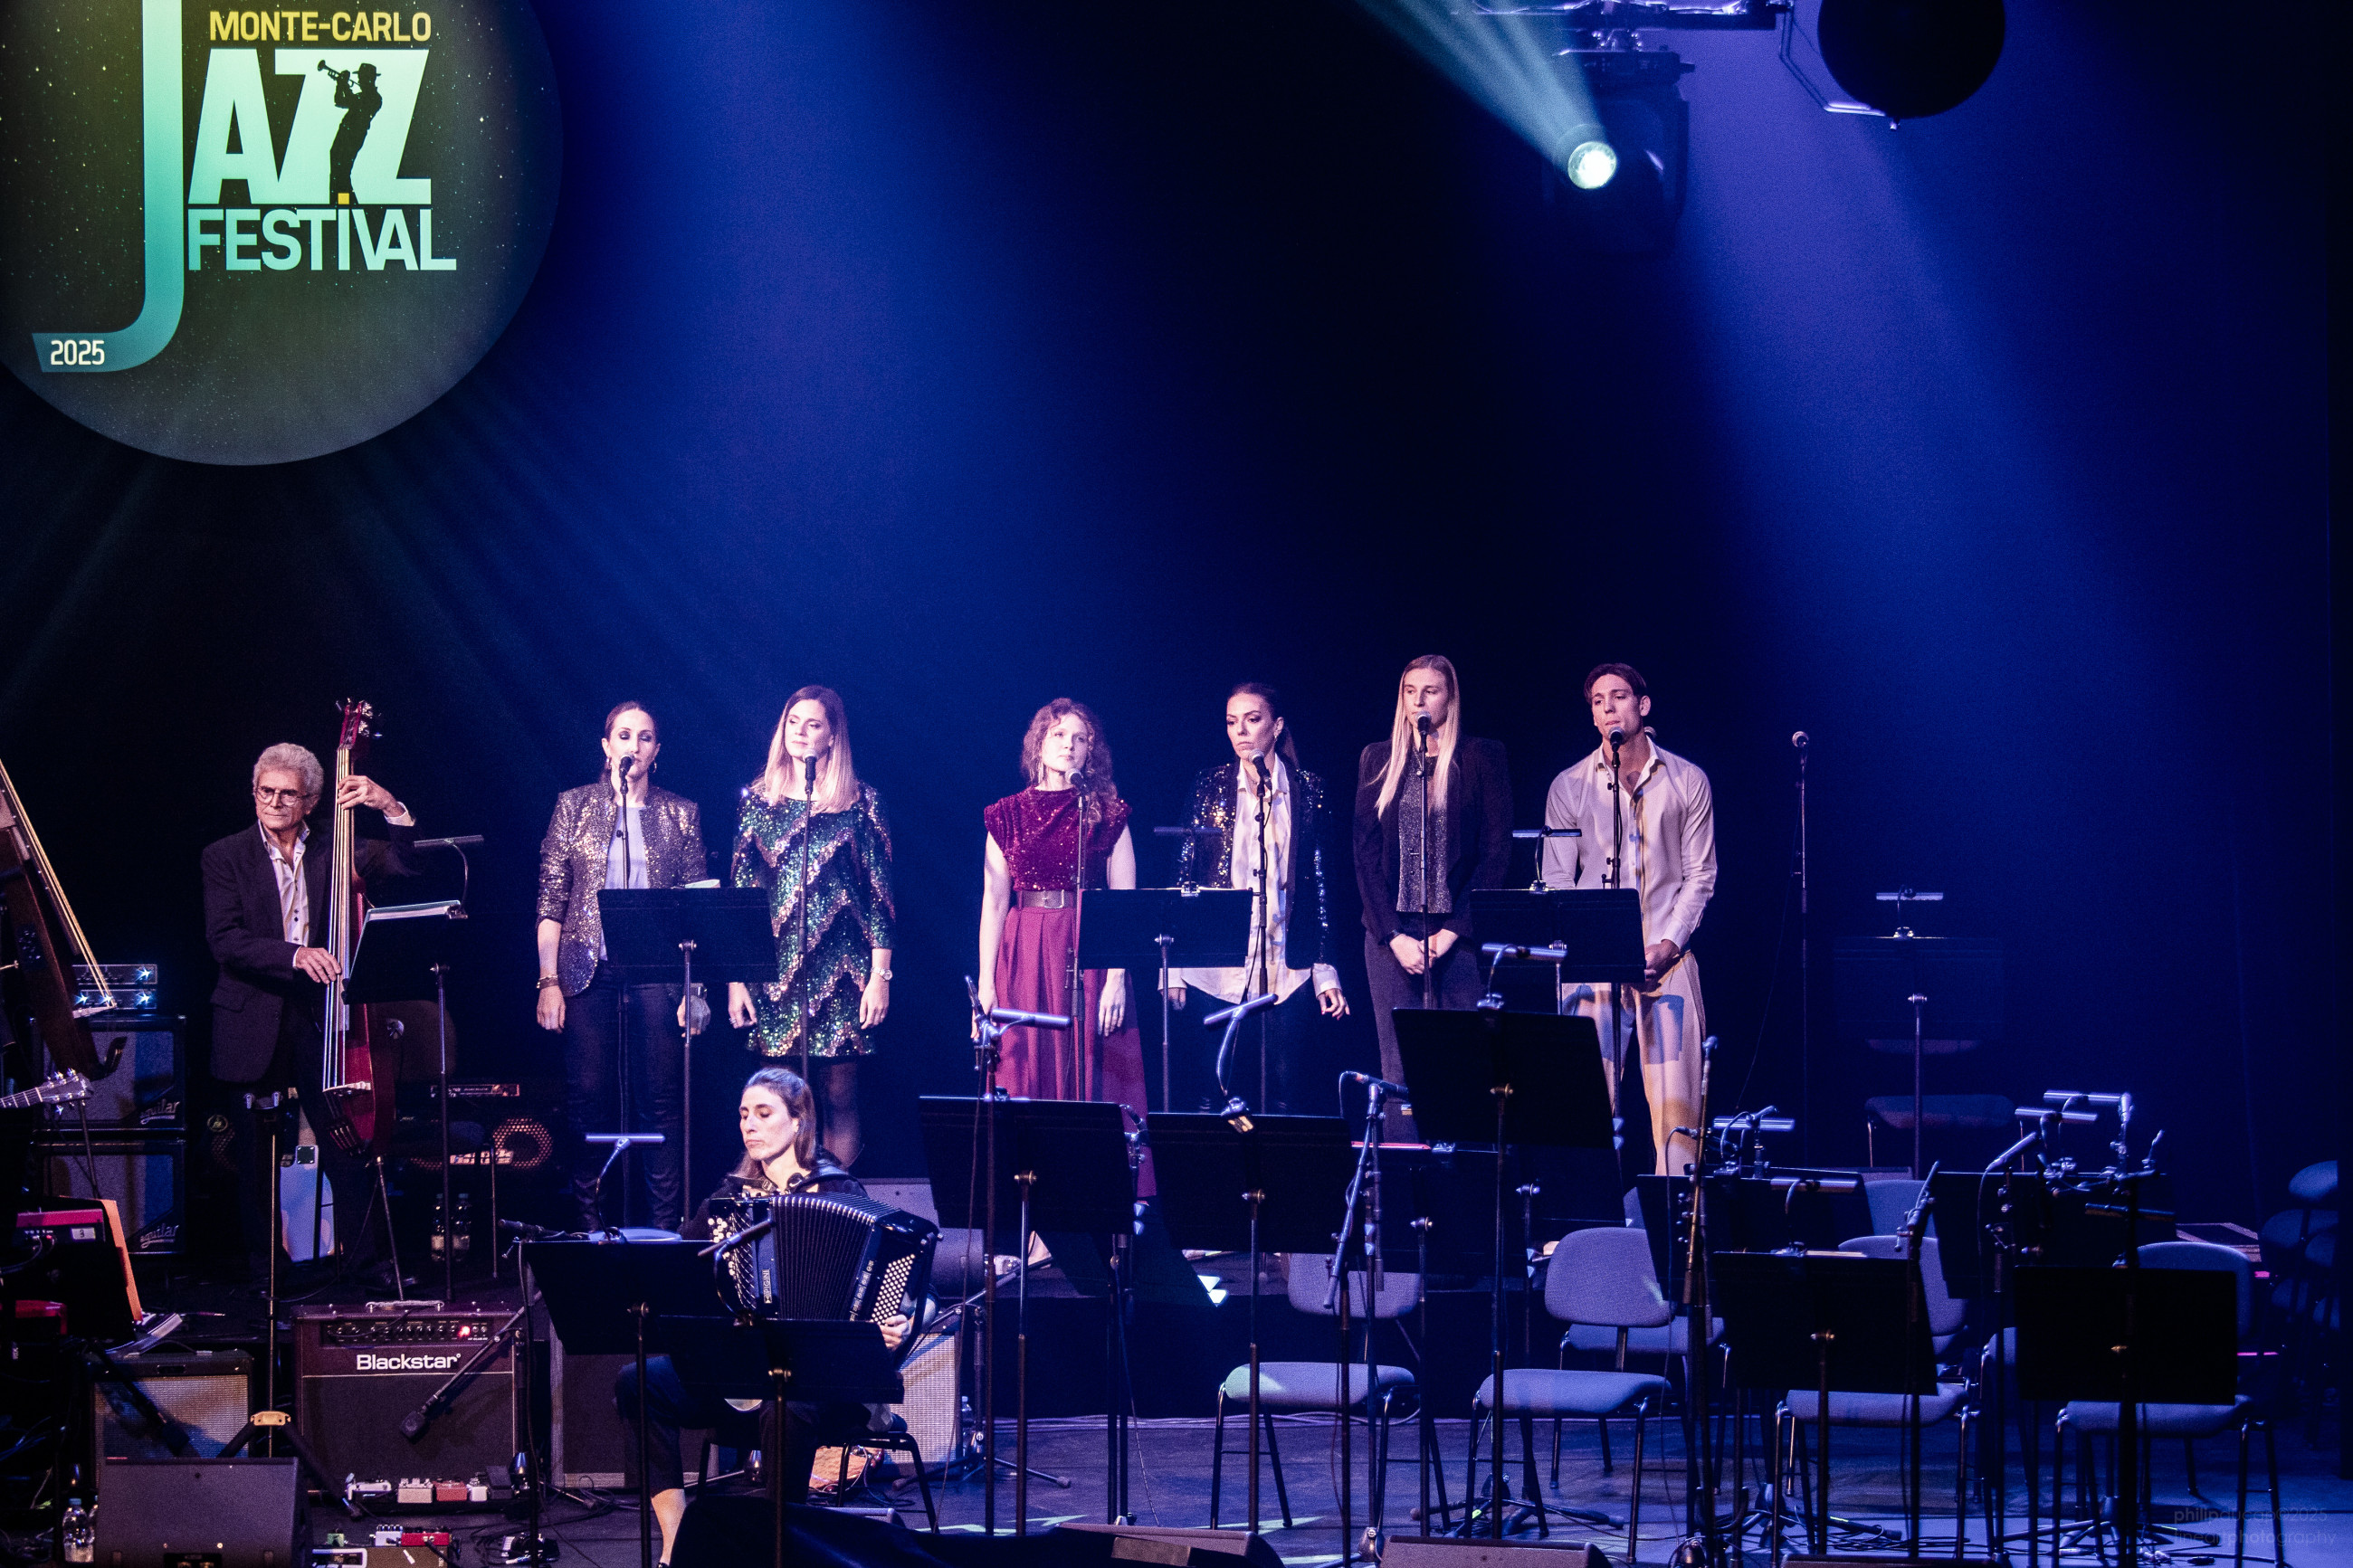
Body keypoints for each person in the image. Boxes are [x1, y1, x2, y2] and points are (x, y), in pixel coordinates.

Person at [614, 1067, 911, 1563]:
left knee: (786, 1402)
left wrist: (892, 1324)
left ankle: (777, 1549)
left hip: (820, 1382)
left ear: (798, 1121)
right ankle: (676, 1542)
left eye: (763, 1113)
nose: (749, 1124)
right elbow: (678, 1274)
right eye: (743, 1114)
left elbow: (898, 1290)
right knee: (639, 1381)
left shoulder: (839, 1191)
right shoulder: (727, 1201)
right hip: (739, 1374)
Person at [202, 741, 416, 1283]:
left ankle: (365, 1263)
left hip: (319, 1016)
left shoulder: (335, 845)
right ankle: (265, 1272)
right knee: (254, 1154)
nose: (274, 802)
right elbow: (225, 940)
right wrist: (295, 955)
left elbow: (404, 864)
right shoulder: (224, 855)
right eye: (265, 792)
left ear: (311, 801)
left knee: (344, 1139)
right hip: (252, 1015)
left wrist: (390, 806)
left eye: (287, 795)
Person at [536, 701, 707, 1231]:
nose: (634, 745)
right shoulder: (574, 806)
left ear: (656, 752)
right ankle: (592, 1229)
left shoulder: (681, 813)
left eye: (646, 737)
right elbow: (552, 901)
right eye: (625, 735)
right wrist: (549, 981)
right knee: (588, 1098)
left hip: (656, 971)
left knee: (661, 1101)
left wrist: (694, 989)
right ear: (607, 746)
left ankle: (665, 1232)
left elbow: (696, 906)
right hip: (588, 970)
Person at [1542, 662, 1717, 1175]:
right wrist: (1598, 945)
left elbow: (1700, 876)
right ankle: (1585, 1217)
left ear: (1643, 705)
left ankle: (1676, 1218)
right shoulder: (1570, 785)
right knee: (1582, 1104)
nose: (1608, 708)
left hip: (1666, 962)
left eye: (1618, 697)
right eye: (1597, 702)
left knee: (1677, 1115)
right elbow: (1558, 879)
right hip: (1592, 966)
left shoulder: (1687, 780)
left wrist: (1668, 944)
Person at [726, 686, 895, 1167]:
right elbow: (741, 896)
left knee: (838, 1095)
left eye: (813, 724)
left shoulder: (862, 802)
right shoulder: (758, 801)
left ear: (833, 736)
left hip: (842, 972)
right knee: (776, 1100)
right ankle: (783, 1203)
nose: (800, 732)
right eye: (793, 722)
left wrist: (880, 977)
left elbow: (880, 898)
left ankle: (833, 1203)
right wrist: (737, 980)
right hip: (774, 973)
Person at [1164, 683, 1348, 1114]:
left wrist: (1325, 971)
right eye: (1232, 722)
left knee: (1284, 1094)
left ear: (1277, 726)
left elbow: (1321, 882)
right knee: (1214, 1091)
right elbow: (1184, 872)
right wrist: (1172, 968)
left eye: (1252, 719)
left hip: (1286, 964)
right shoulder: (1210, 784)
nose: (1241, 731)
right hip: (1215, 964)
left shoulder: (1309, 789)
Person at [1352, 656, 1512, 1136]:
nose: (1418, 701)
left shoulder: (1481, 756)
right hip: (1393, 938)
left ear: (1450, 698)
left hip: (1457, 937)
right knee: (1399, 1070)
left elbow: (1495, 853)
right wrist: (1393, 935)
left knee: (1461, 1061)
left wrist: (1453, 932)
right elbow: (1364, 854)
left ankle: (1461, 1171)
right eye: (1410, 690)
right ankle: (1405, 1172)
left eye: (1431, 691)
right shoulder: (1378, 758)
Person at [976, 698, 1148, 1108]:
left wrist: (1117, 978)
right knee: (1024, 1065)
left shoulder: (1108, 814)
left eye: (1080, 738)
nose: (1069, 744)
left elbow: (1125, 904)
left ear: (1091, 752)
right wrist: (986, 983)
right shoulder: (1006, 814)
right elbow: (995, 902)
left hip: (1090, 950)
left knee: (1093, 1067)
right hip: (1025, 953)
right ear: (1039, 743)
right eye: (1058, 734)